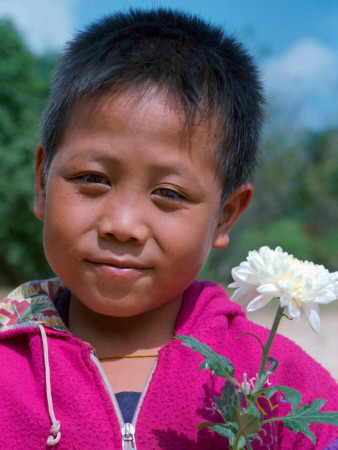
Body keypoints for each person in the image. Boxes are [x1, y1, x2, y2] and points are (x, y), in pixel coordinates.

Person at [0, 8, 337, 449]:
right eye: (92, 179)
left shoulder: (278, 384)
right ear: (42, 181)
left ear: (226, 214)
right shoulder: (10, 365)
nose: (122, 226)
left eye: (170, 193)